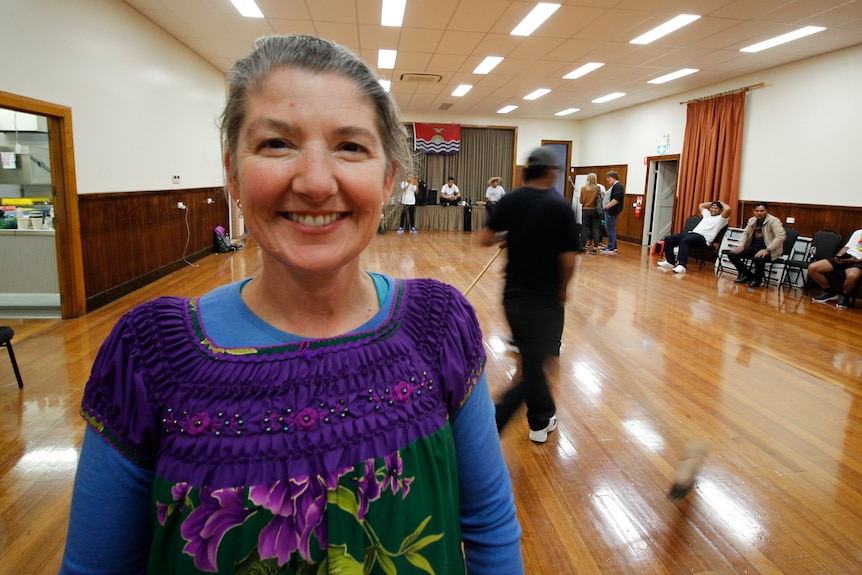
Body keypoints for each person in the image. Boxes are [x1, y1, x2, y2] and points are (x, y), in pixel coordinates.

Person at [59, 34, 523, 575]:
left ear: (389, 177)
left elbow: (489, 529)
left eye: (351, 147)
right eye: (277, 144)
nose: (316, 183)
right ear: (232, 171)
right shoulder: (150, 356)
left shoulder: (438, 325)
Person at [479, 146, 578, 443]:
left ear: (525, 172)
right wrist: (563, 288)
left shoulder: (510, 199)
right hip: (545, 300)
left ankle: (543, 415)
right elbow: (569, 259)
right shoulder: (560, 206)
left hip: (513, 298)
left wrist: (512, 234)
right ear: (550, 173)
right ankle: (493, 424)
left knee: (532, 362)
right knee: (536, 365)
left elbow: (484, 239)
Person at [658, 200, 731, 273]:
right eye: (711, 208)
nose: (713, 209)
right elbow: (701, 205)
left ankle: (682, 265)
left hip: (703, 238)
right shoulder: (707, 215)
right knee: (669, 238)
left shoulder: (721, 219)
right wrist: (713, 203)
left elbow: (727, 209)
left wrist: (720, 203)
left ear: (720, 210)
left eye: (716, 208)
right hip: (691, 234)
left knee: (685, 241)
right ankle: (670, 262)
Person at [727, 201, 786, 288]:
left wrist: (767, 250)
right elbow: (746, 233)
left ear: (766, 211)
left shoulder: (774, 221)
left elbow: (781, 236)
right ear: (753, 211)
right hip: (754, 247)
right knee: (732, 254)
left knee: (758, 258)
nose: (759, 213)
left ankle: (758, 280)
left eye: (762, 211)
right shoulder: (752, 220)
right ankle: (748, 275)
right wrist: (741, 244)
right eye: (757, 211)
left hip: (770, 250)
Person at [810, 228, 862, 309]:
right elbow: (846, 247)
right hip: (846, 257)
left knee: (853, 276)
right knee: (813, 268)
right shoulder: (858, 232)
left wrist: (855, 260)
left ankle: (845, 296)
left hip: (857, 261)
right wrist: (839, 256)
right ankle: (829, 291)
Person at [579, 173, 603, 254]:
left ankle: (582, 246)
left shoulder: (583, 188)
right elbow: (599, 200)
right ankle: (595, 248)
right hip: (594, 210)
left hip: (585, 210)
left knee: (584, 228)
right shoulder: (597, 188)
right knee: (595, 228)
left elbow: (581, 201)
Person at [602, 171, 624, 254]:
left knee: (610, 228)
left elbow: (616, 199)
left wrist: (607, 206)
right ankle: (613, 246)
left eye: (609, 178)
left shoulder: (618, 186)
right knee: (611, 228)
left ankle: (611, 247)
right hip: (611, 210)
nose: (608, 180)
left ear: (613, 177)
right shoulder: (616, 186)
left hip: (611, 211)